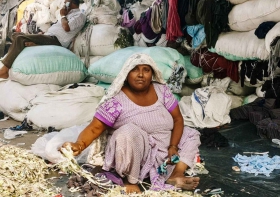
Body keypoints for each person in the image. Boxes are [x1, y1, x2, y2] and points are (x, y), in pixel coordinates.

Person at [62, 53, 201, 193]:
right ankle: (131, 181)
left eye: (146, 70)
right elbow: (94, 129)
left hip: (165, 152)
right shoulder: (116, 101)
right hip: (136, 155)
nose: (140, 74)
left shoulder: (162, 90)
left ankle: (176, 174)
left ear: (152, 74)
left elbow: (178, 119)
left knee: (190, 133)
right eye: (135, 69)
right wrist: (79, 145)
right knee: (127, 131)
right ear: (126, 74)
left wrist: (173, 146)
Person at [0, 0, 86, 79]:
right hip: (48, 36)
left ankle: (5, 70)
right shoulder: (67, 15)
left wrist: (63, 15)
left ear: (72, 3)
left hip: (56, 40)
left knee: (20, 39)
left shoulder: (80, 15)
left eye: (66, 3)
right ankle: (36, 45)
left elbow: (66, 28)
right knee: (16, 35)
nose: (64, 5)